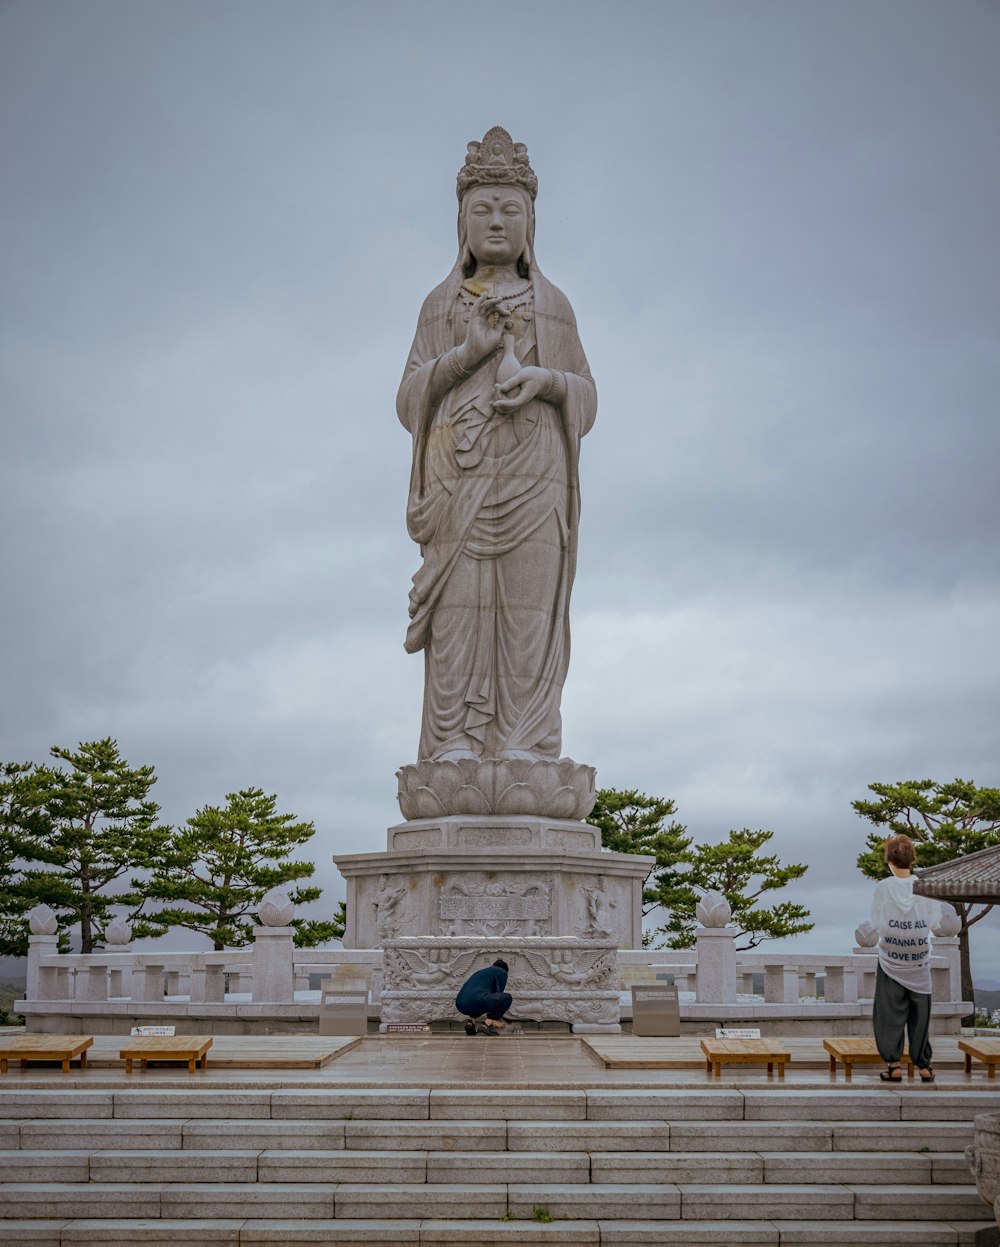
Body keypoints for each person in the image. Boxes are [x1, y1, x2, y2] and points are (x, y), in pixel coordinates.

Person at [397, 126, 596, 763]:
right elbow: (408, 403)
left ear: (531, 221)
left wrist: (548, 381)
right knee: (459, 617)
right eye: (482, 208)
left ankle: (527, 745)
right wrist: (466, 356)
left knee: (527, 617)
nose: (496, 221)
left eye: (511, 208)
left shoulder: (552, 305)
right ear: (461, 220)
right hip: (459, 482)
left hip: (537, 483)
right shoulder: (440, 304)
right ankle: (453, 743)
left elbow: (588, 399)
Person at [869, 834, 942, 1083]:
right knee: (920, 1015)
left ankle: (894, 1065)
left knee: (889, 1015)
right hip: (919, 961)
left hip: (891, 960)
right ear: (912, 859)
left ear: (889, 860)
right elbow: (935, 920)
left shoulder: (883, 887)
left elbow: (876, 920)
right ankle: (924, 1066)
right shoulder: (924, 886)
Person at [455, 957, 512, 1036]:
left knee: (479, 1003)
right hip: (477, 999)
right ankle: (486, 1025)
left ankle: (471, 1023)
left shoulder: (481, 972)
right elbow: (498, 995)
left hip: (460, 1003)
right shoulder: (502, 972)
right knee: (507, 998)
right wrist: (494, 1018)